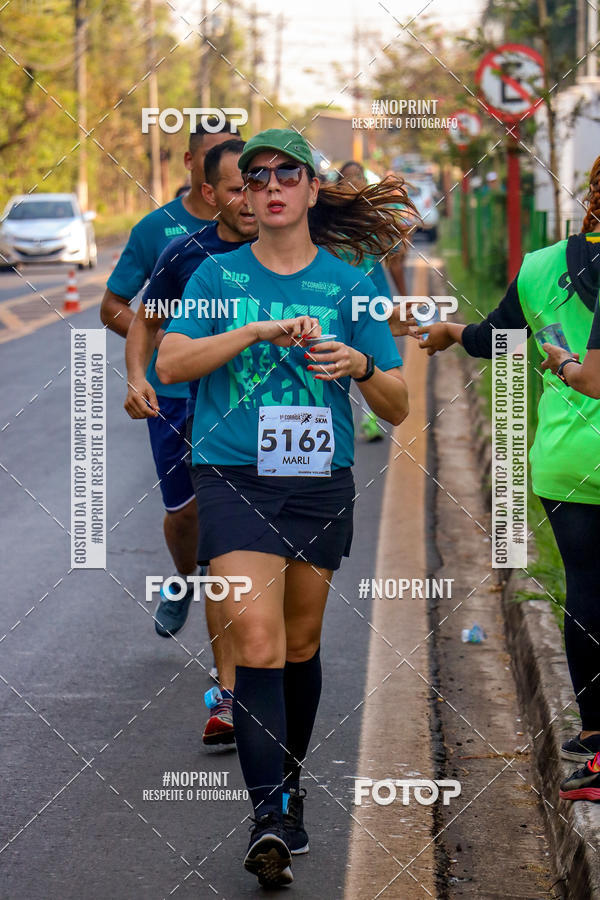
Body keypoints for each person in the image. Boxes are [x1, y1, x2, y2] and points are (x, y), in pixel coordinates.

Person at [156, 128, 411, 887]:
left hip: (317, 481)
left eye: (285, 174)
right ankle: (267, 817)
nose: (268, 186)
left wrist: (359, 363)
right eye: (254, 176)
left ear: (308, 188)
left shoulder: (353, 279)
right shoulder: (215, 276)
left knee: (299, 644)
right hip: (232, 476)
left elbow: (396, 405)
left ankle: (291, 792)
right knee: (257, 639)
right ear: (241, 195)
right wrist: (254, 330)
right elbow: (171, 363)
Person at [413, 154, 600, 802]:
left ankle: (595, 747)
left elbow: (501, 340)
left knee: (588, 592)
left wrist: (446, 330)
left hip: (569, 457)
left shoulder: (544, 267)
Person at [124, 138, 258, 745]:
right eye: (238, 188)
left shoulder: (296, 248)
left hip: (267, 423)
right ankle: (226, 684)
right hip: (185, 405)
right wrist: (135, 378)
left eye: (260, 185)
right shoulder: (188, 255)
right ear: (211, 194)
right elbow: (144, 320)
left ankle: (254, 676)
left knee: (250, 554)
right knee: (196, 527)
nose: (254, 200)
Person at [100, 121, 237, 640]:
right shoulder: (162, 235)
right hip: (175, 397)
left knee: (231, 517)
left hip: (239, 400)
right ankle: (182, 580)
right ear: (196, 170)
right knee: (185, 514)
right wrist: (160, 355)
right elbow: (121, 310)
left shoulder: (271, 228)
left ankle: (238, 668)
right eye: (216, 163)